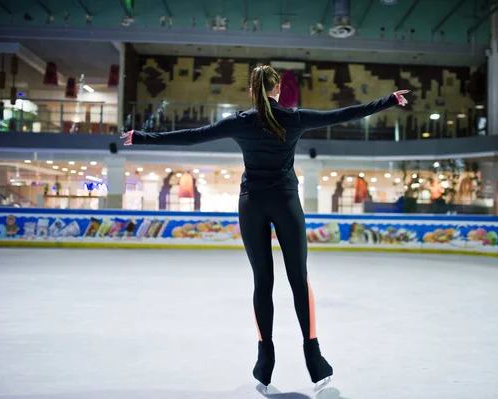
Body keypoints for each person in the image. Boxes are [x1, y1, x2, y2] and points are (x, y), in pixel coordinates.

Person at [121, 65, 409, 388]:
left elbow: (193, 137)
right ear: (276, 90)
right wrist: (387, 100)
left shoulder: (240, 122)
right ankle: (313, 355)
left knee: (263, 282)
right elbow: (342, 114)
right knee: (299, 279)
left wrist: (142, 136)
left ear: (251, 92)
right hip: (285, 203)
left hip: (252, 204)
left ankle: (265, 358)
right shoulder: (294, 118)